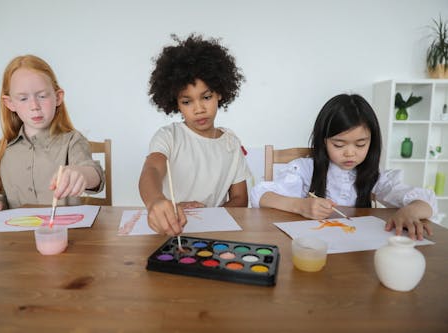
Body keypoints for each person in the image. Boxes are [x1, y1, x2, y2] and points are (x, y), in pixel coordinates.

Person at [251, 94, 437, 240]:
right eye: (339, 145)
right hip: (313, 244)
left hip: (357, 251)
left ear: (372, 142)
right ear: (323, 142)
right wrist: (300, 206)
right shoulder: (305, 169)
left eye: (360, 144)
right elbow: (260, 195)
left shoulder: (374, 175)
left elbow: (426, 202)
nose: (350, 153)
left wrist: (408, 212)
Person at [139, 34, 251, 236]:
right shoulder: (168, 136)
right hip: (172, 230)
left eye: (206, 97)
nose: (199, 109)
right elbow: (152, 169)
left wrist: (209, 216)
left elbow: (240, 198)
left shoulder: (231, 144)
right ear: (176, 103)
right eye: (187, 101)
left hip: (214, 233)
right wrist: (156, 201)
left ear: (220, 93)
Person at [0, 55, 104, 217]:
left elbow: (94, 175)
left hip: (65, 234)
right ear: (10, 103)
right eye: (23, 98)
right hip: (17, 236)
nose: (34, 106)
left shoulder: (72, 140)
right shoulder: (1, 150)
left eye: (42, 96)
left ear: (58, 97)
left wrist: (82, 173)